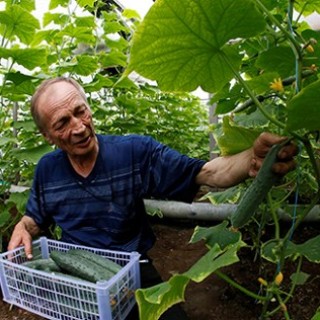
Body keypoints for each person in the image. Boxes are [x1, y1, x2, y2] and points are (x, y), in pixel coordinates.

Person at [7, 77, 297, 319]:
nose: (80, 127)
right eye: (62, 123)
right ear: (47, 135)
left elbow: (207, 174)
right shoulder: (47, 170)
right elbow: (36, 217)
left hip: (132, 270)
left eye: (80, 111)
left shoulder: (134, 153)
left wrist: (250, 160)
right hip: (77, 279)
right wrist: (23, 225)